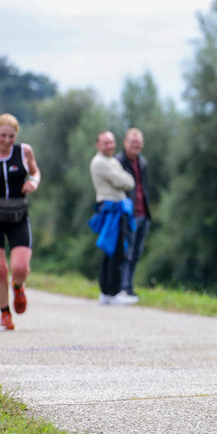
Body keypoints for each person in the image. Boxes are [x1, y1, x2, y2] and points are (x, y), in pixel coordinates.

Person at [0, 114, 40, 330]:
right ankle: (5, 313)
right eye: (3, 135)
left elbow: (35, 171)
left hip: (18, 214)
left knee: (20, 267)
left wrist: (33, 181)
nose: (7, 140)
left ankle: (18, 285)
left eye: (11, 136)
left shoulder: (24, 152)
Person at [89, 131, 137, 306]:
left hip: (119, 208)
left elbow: (127, 180)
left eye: (111, 142)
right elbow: (123, 181)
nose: (109, 146)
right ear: (98, 145)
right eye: (105, 143)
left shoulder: (113, 161)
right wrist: (125, 179)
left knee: (116, 250)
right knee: (113, 250)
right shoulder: (100, 162)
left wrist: (125, 179)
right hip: (111, 209)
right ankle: (112, 292)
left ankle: (108, 291)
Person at [116, 128, 151, 299]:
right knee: (126, 253)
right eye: (132, 142)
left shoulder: (142, 162)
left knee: (136, 253)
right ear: (125, 143)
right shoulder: (118, 162)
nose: (135, 145)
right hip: (127, 214)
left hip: (143, 214)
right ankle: (122, 287)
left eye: (138, 142)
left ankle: (129, 287)